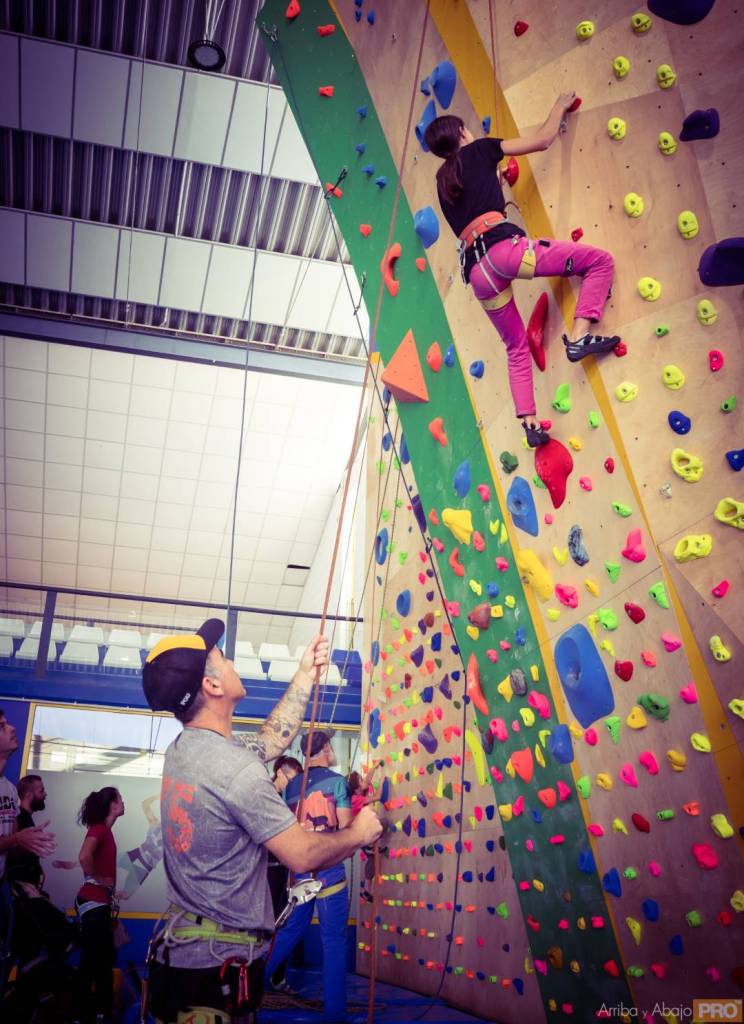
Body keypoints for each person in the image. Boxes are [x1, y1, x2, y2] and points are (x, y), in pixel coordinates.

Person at [141, 620, 382, 1024]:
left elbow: (271, 739)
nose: (231, 661)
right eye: (221, 657)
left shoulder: (185, 750)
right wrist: (358, 832)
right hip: (214, 968)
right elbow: (301, 855)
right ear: (212, 686)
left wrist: (305, 675)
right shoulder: (234, 770)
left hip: (188, 955)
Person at [424, 98, 619, 447]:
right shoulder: (482, 149)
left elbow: (475, 205)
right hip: (506, 253)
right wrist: (558, 105)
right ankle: (579, 336)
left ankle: (529, 423)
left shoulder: (443, 183)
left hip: (479, 274)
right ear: (463, 132)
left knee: (515, 345)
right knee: (599, 261)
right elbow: (542, 140)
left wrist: (495, 181)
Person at [264, 729, 353, 1022]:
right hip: (329, 868)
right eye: (331, 746)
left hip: (300, 870)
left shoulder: (292, 787)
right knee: (333, 941)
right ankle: (335, 1014)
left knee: (290, 931)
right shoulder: (337, 782)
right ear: (326, 748)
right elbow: (346, 829)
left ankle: (249, 987)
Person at [0, 709, 55, 999]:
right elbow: (11, 843)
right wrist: (18, 840)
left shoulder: (9, 790)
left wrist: (29, 847)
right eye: (2, 725)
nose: (11, 728)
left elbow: (11, 849)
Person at [75, 786, 126, 1023]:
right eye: (121, 799)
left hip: (98, 903)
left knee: (97, 961)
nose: (124, 803)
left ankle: (92, 1013)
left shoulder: (105, 831)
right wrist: (99, 879)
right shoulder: (99, 829)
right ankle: (92, 1014)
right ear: (113, 805)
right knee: (97, 963)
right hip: (93, 903)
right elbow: (84, 856)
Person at [266, 755, 302, 991]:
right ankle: (262, 975)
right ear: (280, 773)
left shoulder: (286, 800)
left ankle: (276, 976)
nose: (294, 784)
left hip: (282, 869)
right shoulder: (267, 796)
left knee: (283, 921)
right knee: (269, 924)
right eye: (292, 779)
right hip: (266, 871)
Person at [8, 774, 48, 891]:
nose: (45, 794)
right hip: (21, 887)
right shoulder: (20, 819)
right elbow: (14, 854)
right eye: (41, 791)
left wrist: (38, 869)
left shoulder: (26, 818)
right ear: (28, 795)